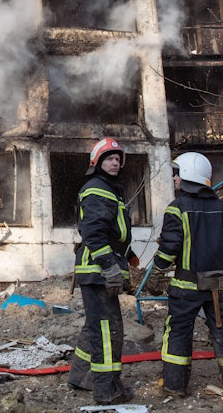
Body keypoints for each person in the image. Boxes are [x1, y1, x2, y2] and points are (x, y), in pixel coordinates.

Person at [145, 152, 223, 399]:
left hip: (186, 288)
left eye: (176, 173)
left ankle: (175, 385)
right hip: (221, 287)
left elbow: (169, 247)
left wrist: (155, 275)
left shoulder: (177, 208)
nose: (174, 179)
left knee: (179, 333)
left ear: (186, 176)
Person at [67, 137, 135, 405]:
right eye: (109, 158)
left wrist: (128, 256)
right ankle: (107, 390)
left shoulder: (109, 190)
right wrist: (109, 267)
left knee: (96, 325)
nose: (115, 162)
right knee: (108, 329)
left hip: (97, 269)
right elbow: (94, 234)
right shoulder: (97, 189)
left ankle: (80, 376)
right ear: (96, 163)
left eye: (118, 159)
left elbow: (111, 233)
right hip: (98, 270)